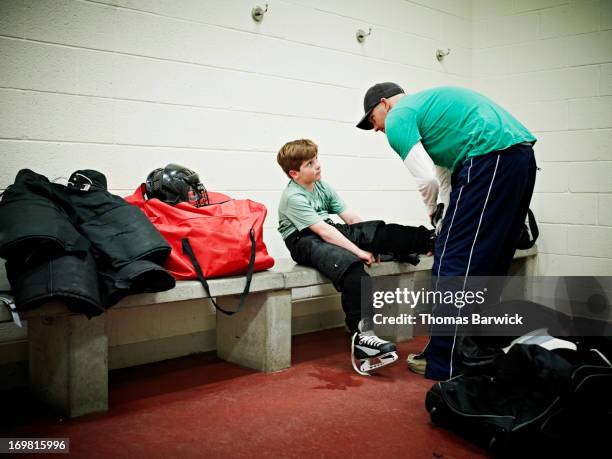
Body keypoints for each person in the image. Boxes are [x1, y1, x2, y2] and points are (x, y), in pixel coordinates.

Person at [357, 83, 537, 380]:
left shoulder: (400, 116)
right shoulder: (432, 114)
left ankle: (446, 362)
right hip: (520, 158)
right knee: (491, 259)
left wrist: (431, 211)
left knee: (450, 262)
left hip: (489, 157)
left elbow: (426, 179)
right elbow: (444, 176)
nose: (376, 129)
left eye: (372, 120)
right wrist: (440, 217)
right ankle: (478, 351)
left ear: (385, 104)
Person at [276, 139, 435, 376]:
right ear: (294, 173)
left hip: (326, 230)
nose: (318, 165)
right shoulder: (293, 196)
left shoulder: (322, 186)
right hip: (303, 241)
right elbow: (323, 232)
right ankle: (363, 339)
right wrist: (359, 252)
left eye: (317, 159)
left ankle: (432, 240)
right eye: (310, 163)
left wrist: (370, 240)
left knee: (375, 230)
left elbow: (352, 220)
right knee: (350, 266)